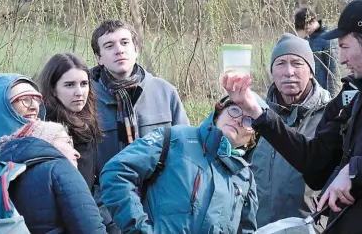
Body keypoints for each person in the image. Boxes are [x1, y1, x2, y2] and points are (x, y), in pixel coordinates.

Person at [224, 0, 362, 233]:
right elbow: (315, 164)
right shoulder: (355, 93)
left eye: (344, 47)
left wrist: (355, 171)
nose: (340, 59)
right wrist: (258, 113)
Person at [99, 93, 269, 233]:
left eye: (249, 121)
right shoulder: (174, 138)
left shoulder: (245, 178)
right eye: (234, 110)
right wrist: (139, 229)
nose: (239, 120)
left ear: (251, 140)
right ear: (219, 111)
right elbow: (116, 173)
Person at [250, 33, 330, 231]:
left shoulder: (331, 116)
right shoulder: (256, 117)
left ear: (311, 71)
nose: (289, 72)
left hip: (312, 228)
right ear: (272, 72)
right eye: (280, 64)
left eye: (297, 63)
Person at [90, 19, 190, 174]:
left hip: (160, 192)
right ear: (99, 58)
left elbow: (185, 146)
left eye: (124, 43)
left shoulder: (164, 91)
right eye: (109, 46)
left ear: (136, 50)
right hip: (108, 194)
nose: (119, 50)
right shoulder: (87, 97)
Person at [0, 120, 107, 234]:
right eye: (68, 142)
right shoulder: (60, 169)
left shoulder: (2, 177)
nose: (77, 153)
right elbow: (90, 228)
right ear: (47, 141)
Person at [37, 53, 103, 192]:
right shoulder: (44, 127)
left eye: (84, 84)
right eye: (69, 85)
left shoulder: (88, 118)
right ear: (53, 89)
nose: (79, 92)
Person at [0, 73, 44, 179]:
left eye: (36, 99)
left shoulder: (44, 143)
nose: (34, 106)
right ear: (3, 108)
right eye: (24, 99)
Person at [295, 7, 339, 97]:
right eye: (302, 27)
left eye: (306, 25)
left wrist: (331, 96)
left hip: (324, 92)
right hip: (310, 93)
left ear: (313, 20)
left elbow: (333, 70)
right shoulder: (306, 40)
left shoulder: (328, 38)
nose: (305, 29)